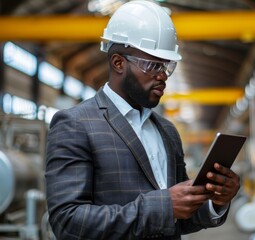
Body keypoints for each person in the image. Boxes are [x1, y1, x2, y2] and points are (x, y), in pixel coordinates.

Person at [45, 1, 241, 239]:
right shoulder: (76, 124)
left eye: (167, 66)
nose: (162, 76)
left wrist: (216, 201)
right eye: (152, 65)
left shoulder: (167, 131)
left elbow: (179, 217)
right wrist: (163, 206)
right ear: (118, 63)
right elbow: (67, 222)